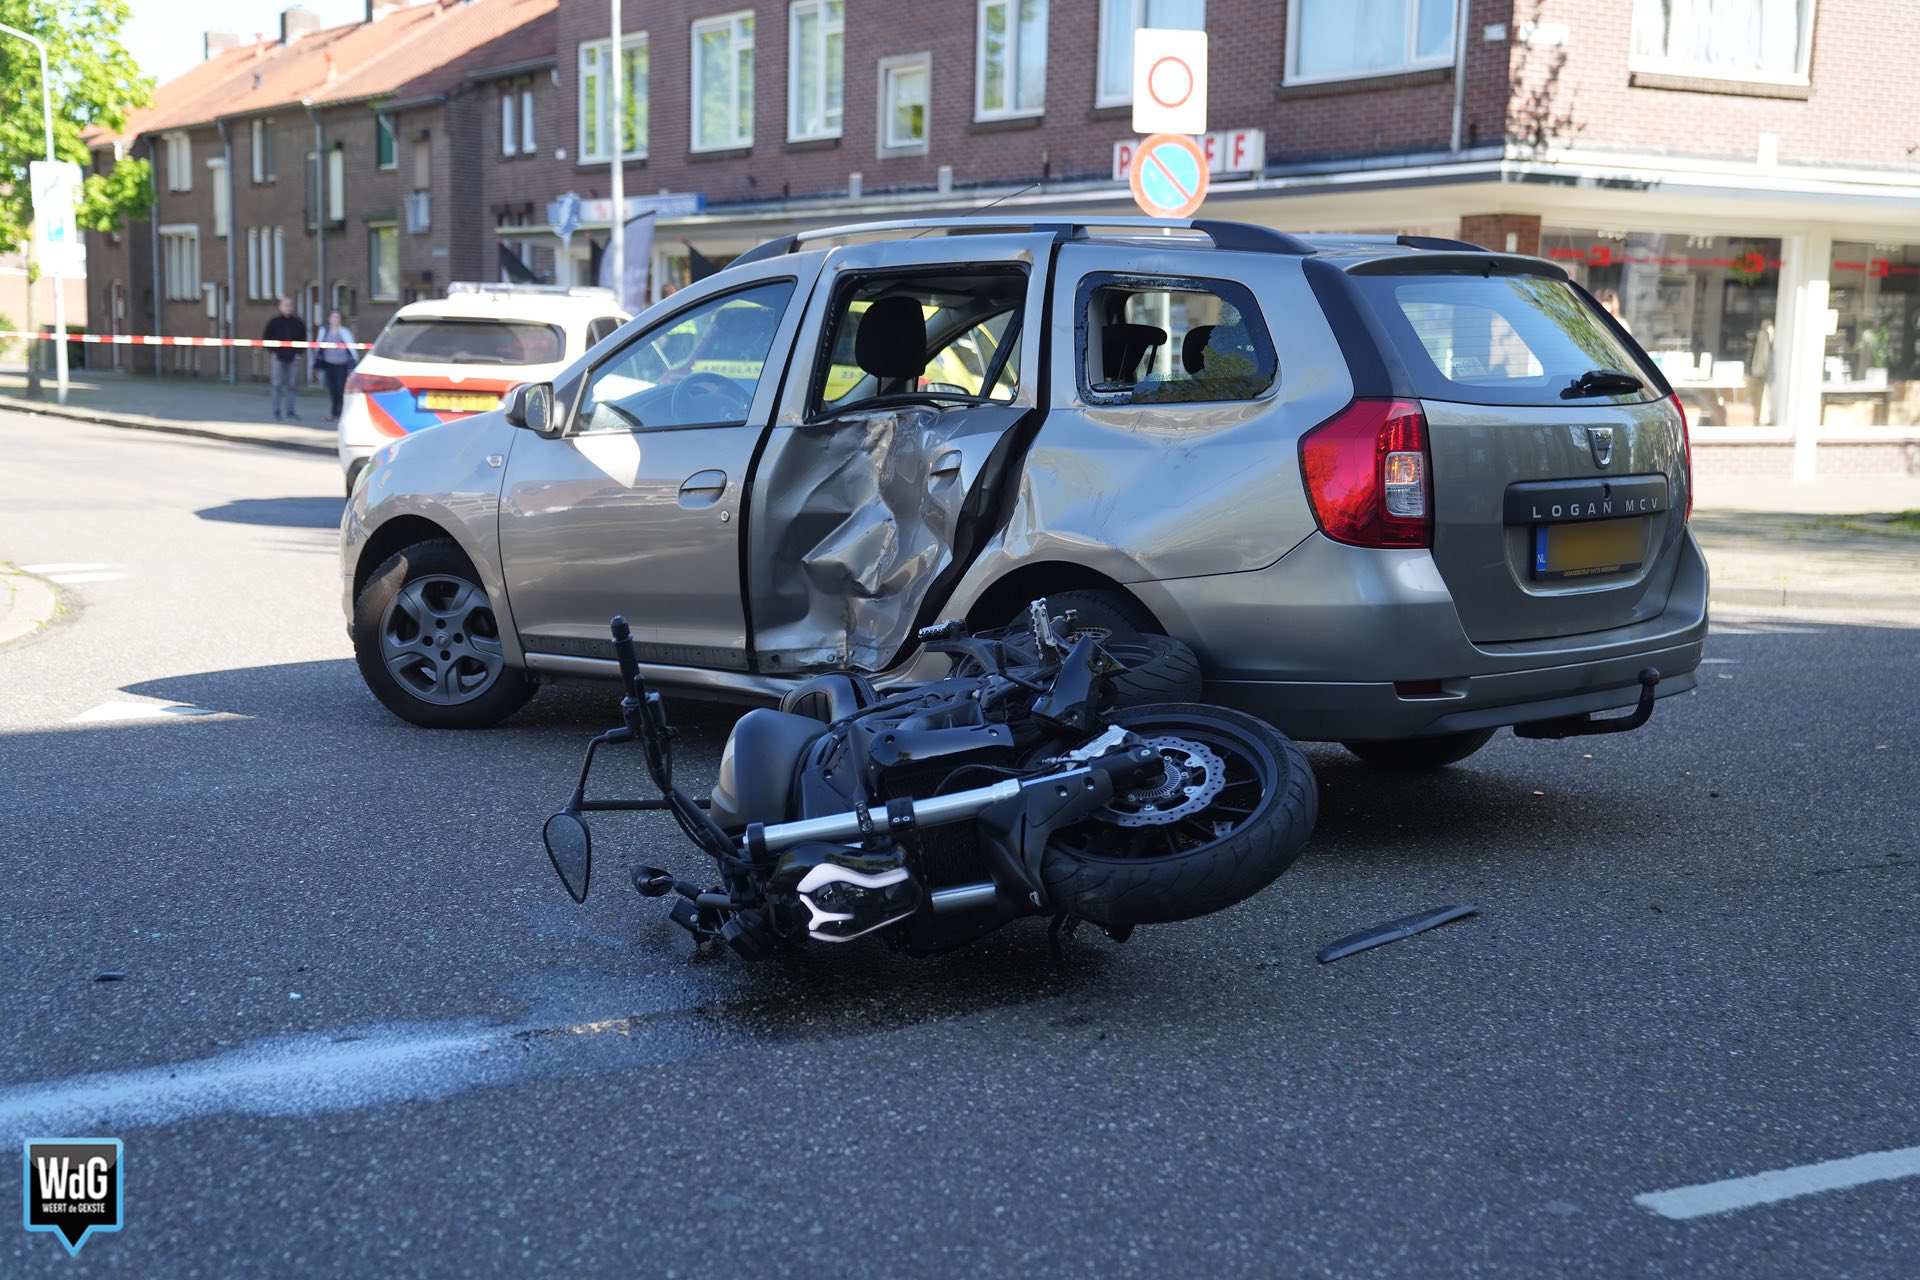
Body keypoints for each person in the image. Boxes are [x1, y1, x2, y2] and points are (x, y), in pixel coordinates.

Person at [263, 298, 307, 421]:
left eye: (290, 305)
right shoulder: (274, 322)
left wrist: (299, 353)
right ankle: (276, 411)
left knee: (292, 385)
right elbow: (266, 337)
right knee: (277, 385)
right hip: (278, 358)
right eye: (285, 305)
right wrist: (273, 352)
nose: (288, 307)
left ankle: (290, 411)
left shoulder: (298, 323)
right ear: (280, 307)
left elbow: (303, 339)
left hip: (293, 358)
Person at [311, 309, 358, 421]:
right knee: (332, 389)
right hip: (329, 364)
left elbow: (352, 348)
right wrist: (317, 362)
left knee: (340, 389)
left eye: (337, 317)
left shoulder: (344, 332)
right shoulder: (324, 331)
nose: (335, 319)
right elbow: (319, 346)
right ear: (329, 319)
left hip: (342, 365)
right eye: (333, 317)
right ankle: (333, 413)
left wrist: (354, 362)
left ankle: (341, 413)